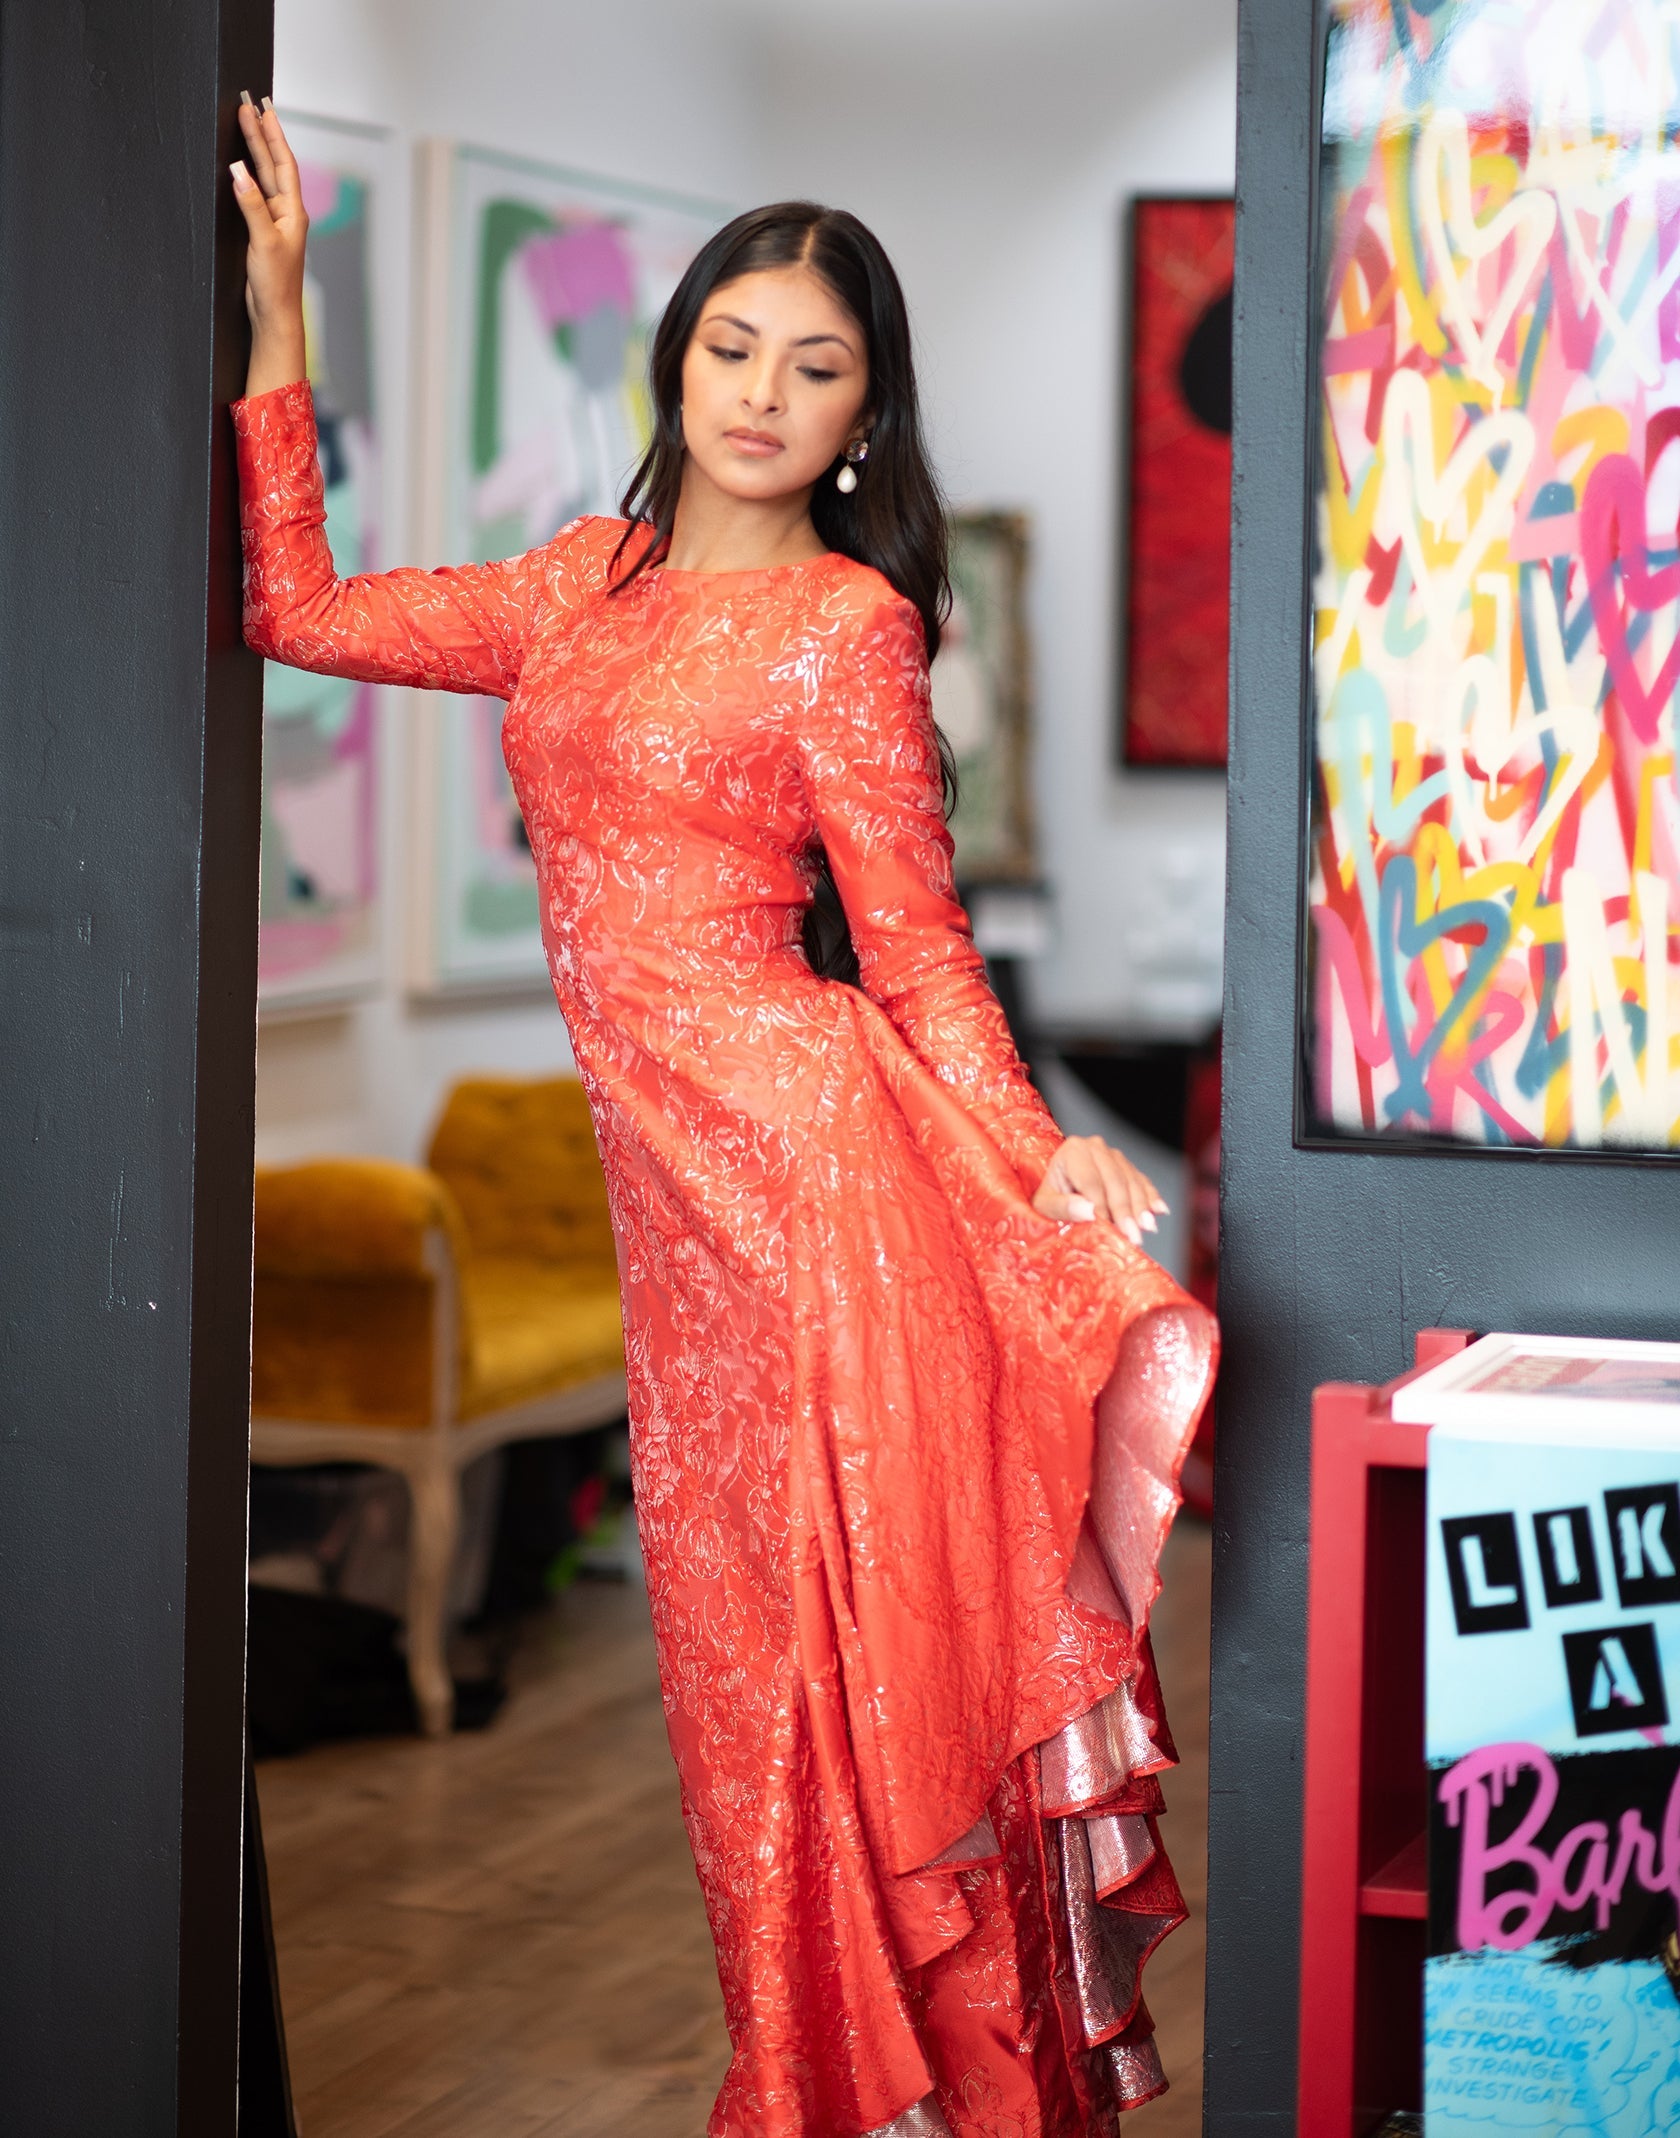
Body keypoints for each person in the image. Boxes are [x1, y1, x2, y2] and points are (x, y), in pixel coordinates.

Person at [230, 93, 1217, 2138]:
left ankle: (898, 2095)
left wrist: (1040, 1155)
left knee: (841, 1709)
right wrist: (281, 321)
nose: (767, 392)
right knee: (727, 1709)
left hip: (823, 1206)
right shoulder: (571, 588)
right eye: (735, 347)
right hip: (680, 1240)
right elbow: (296, 609)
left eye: (819, 365)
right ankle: (820, 2077)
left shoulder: (848, 628)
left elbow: (922, 952)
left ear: (867, 416)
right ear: (674, 360)